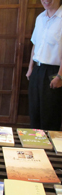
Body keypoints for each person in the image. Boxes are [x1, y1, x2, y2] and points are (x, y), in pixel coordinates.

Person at [26, 0, 62, 131]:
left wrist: (60, 76)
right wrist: (30, 68)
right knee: (34, 110)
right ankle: (35, 148)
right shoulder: (40, 18)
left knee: (50, 114)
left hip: (54, 71)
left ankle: (49, 149)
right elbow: (35, 44)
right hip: (38, 69)